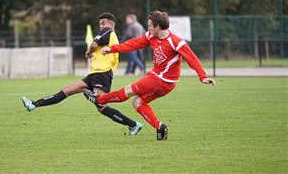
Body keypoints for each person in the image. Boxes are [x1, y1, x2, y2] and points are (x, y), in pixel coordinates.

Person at [84, 10, 216, 141]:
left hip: (160, 80)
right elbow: (133, 44)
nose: (148, 28)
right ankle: (160, 127)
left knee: (128, 91)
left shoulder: (176, 42)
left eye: (150, 25)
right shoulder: (151, 36)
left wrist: (202, 76)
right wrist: (112, 49)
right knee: (137, 102)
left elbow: (192, 59)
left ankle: (99, 100)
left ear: (157, 27)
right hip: (167, 83)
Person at [21, 12, 143, 136]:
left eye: (103, 23)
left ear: (110, 24)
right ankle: (33, 104)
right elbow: (100, 48)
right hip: (95, 74)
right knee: (66, 91)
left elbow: (94, 44)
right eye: (100, 24)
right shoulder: (109, 35)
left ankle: (133, 124)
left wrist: (89, 51)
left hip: (102, 73)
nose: (101, 26)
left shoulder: (108, 31)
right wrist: (93, 53)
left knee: (101, 105)